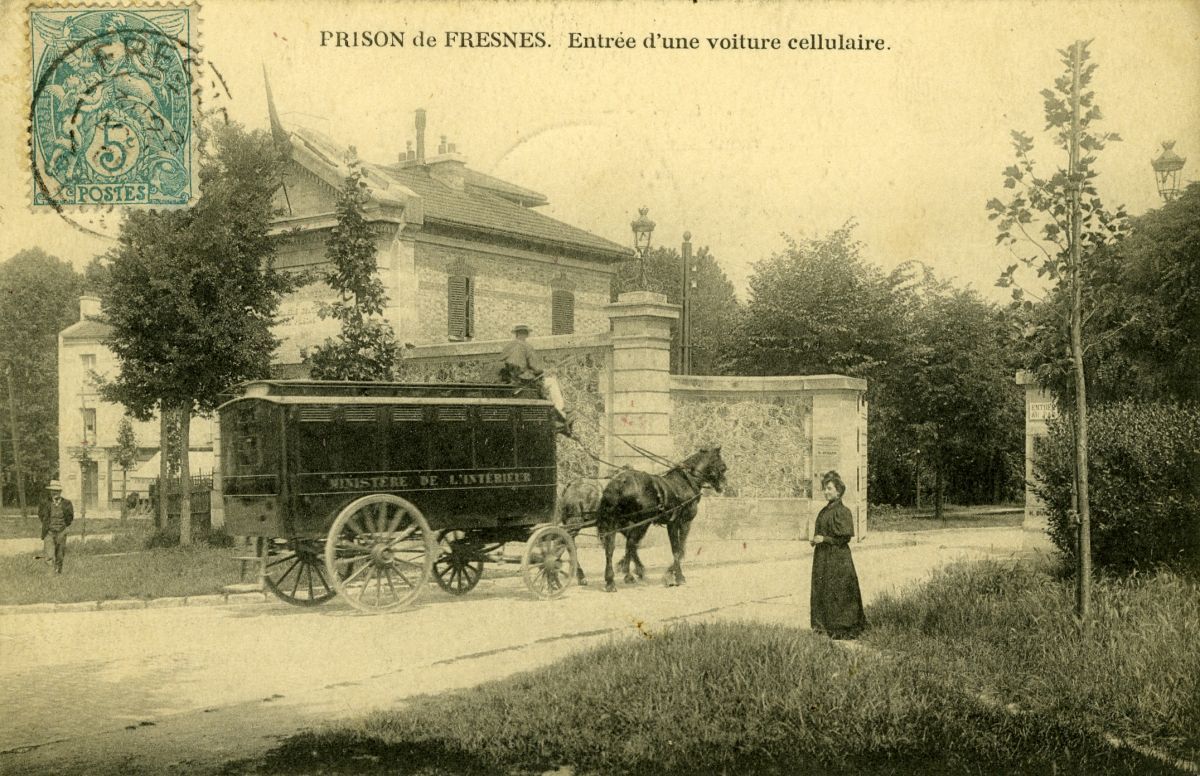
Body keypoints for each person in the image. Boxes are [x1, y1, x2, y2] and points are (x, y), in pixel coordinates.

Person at [809, 471, 866, 639]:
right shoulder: (824, 511)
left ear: (838, 491)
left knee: (838, 591)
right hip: (822, 557)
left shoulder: (843, 511)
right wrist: (816, 540)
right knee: (823, 589)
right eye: (825, 489)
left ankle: (841, 628)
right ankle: (822, 627)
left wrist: (824, 539)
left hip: (838, 557)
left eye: (829, 489)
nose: (826, 492)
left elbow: (844, 538)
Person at [497, 323, 574, 437]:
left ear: (516, 334)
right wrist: (545, 371)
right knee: (551, 382)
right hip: (523, 382)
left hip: (509, 381)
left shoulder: (507, 347)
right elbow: (537, 368)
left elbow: (502, 363)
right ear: (526, 334)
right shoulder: (527, 346)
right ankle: (562, 413)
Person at [38, 481, 74, 574]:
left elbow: (70, 517)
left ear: (60, 492)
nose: (55, 493)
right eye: (53, 490)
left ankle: (58, 572)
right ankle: (50, 574)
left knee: (60, 555)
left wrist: (64, 526)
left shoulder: (67, 503)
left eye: (57, 491)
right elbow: (41, 515)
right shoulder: (45, 503)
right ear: (50, 491)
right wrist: (47, 525)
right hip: (49, 532)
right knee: (49, 554)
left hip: (62, 531)